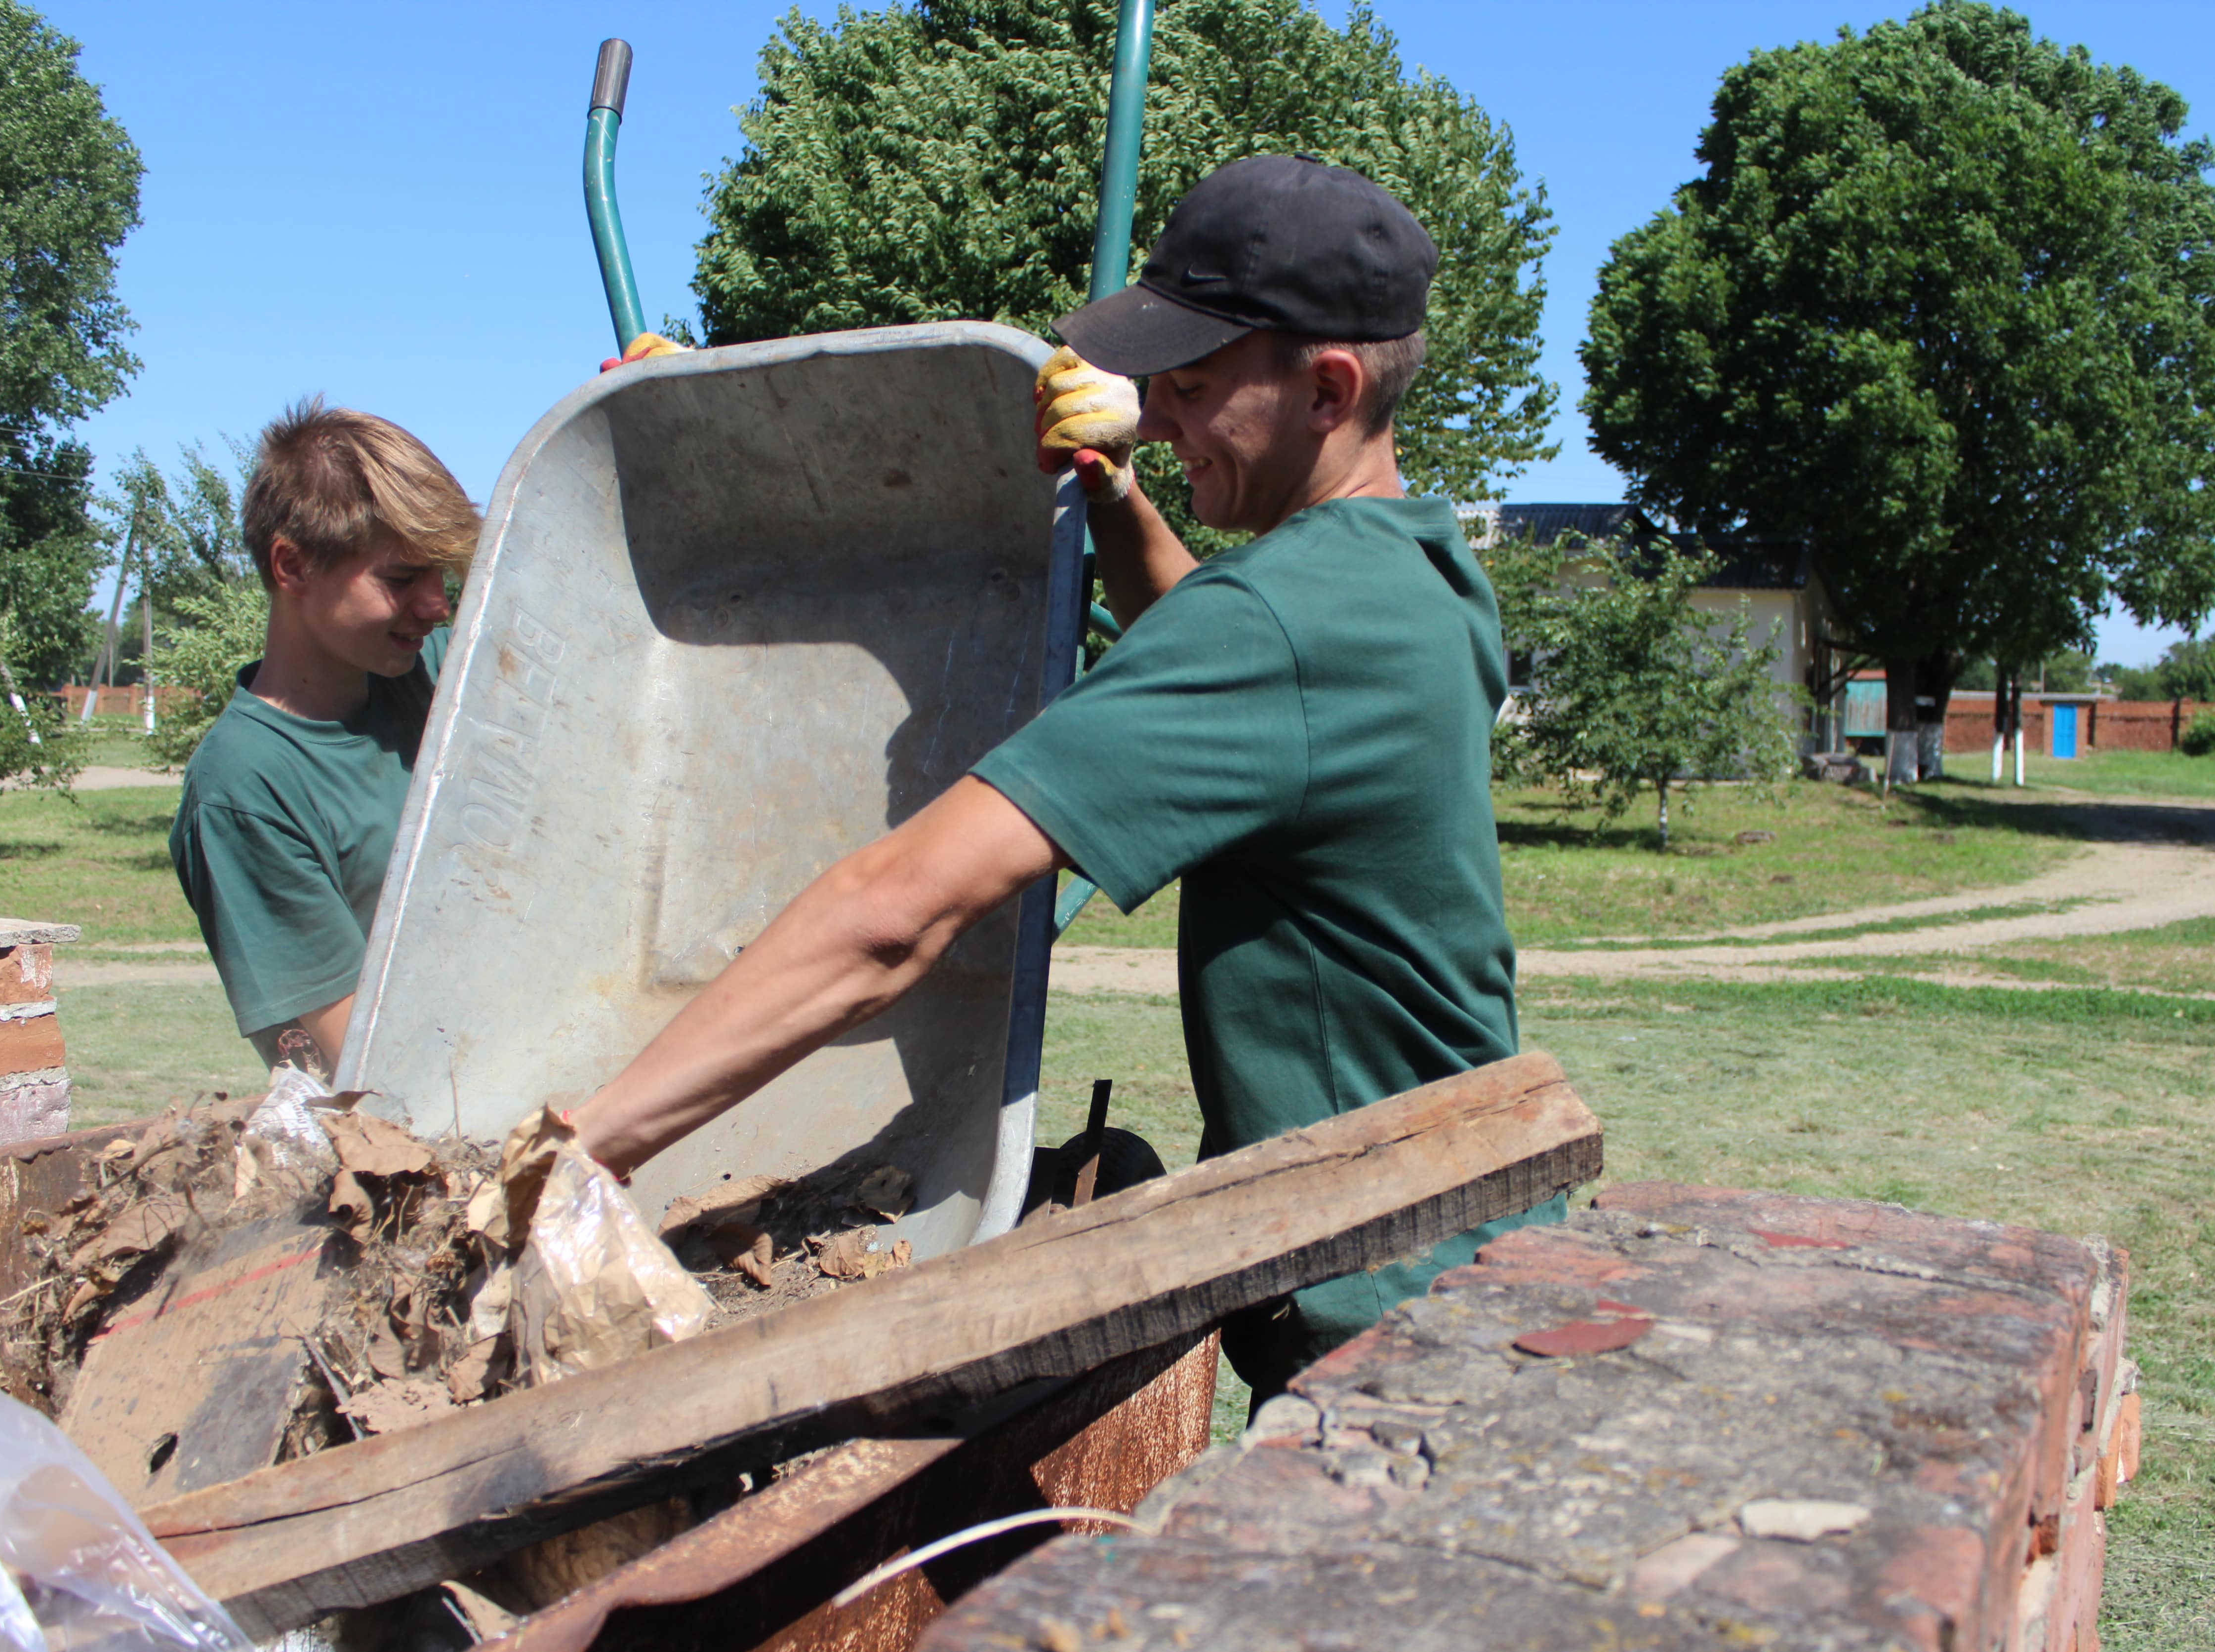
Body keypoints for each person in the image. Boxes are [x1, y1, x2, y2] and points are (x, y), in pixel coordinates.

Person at [569, 154, 1555, 1405]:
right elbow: (1247, 659)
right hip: (1460, 1230)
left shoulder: (1282, 625)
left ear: (1329, 385)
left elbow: (893, 915)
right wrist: (1119, 498)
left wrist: (586, 1152)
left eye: (1193, 391)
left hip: (1385, 1319)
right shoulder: (1418, 579)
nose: (1157, 414)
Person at [169, 400, 479, 1072]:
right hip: (435, 1130)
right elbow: (364, 1063)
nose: (438, 605)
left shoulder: (440, 672)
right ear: (293, 567)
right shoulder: (245, 789)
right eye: (402, 578)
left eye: (441, 573)